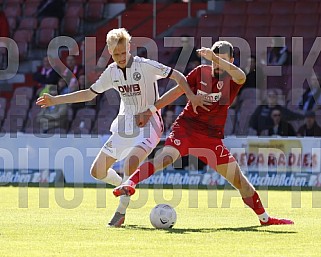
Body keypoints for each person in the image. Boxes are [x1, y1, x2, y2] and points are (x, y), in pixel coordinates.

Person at [36, 28, 208, 227]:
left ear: (129, 47)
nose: (120, 57)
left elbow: (179, 76)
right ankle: (127, 185)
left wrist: (183, 99)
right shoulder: (111, 72)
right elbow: (88, 94)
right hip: (124, 124)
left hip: (150, 124)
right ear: (110, 52)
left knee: (130, 162)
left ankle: (120, 212)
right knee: (97, 171)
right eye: (115, 54)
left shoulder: (146, 66)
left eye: (123, 52)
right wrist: (55, 100)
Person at [113, 40, 294, 226]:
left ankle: (265, 219)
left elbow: (241, 76)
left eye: (223, 60)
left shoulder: (232, 78)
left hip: (211, 138)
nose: (217, 64)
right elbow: (177, 91)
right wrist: (150, 110)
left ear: (231, 60)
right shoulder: (201, 72)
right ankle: (130, 183)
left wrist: (215, 58)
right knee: (165, 158)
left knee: (240, 181)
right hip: (186, 128)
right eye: (214, 60)